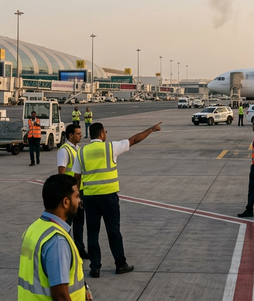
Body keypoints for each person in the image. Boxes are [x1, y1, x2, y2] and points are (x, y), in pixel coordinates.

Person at [73, 121, 162, 278]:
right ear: (101, 134)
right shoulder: (110, 147)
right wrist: (151, 129)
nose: (106, 134)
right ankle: (120, 264)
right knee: (113, 231)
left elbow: (77, 177)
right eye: (105, 132)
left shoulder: (81, 152)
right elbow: (133, 140)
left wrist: (78, 197)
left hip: (90, 198)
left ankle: (95, 267)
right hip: (108, 197)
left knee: (92, 233)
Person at [18, 174, 92, 301]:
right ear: (66, 202)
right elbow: (60, 295)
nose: (79, 201)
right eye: (77, 197)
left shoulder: (34, 228)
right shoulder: (57, 241)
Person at [58, 124, 88, 260]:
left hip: (79, 192)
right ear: (70, 135)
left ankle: (80, 249)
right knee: (67, 223)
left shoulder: (78, 149)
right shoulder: (64, 150)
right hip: (70, 193)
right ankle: (65, 249)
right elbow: (61, 174)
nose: (81, 135)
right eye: (78, 134)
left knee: (79, 223)